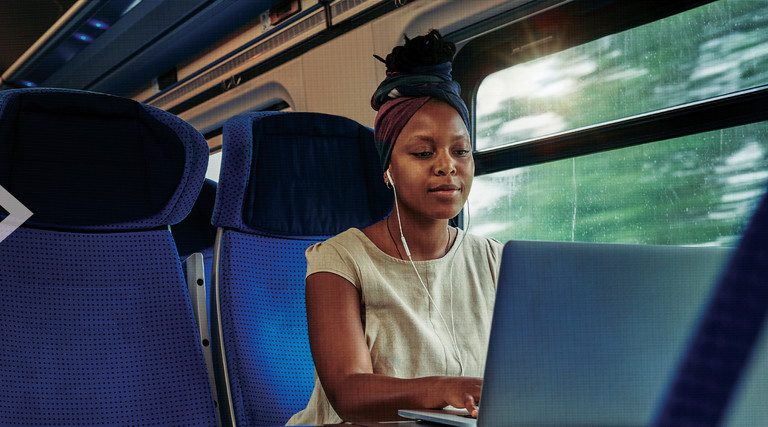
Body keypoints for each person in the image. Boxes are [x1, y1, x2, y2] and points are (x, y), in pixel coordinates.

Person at [286, 30, 503, 425]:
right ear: (387, 168)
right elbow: (349, 393)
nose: (447, 166)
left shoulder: (494, 259)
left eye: (461, 151)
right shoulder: (339, 259)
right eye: (423, 152)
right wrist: (447, 388)